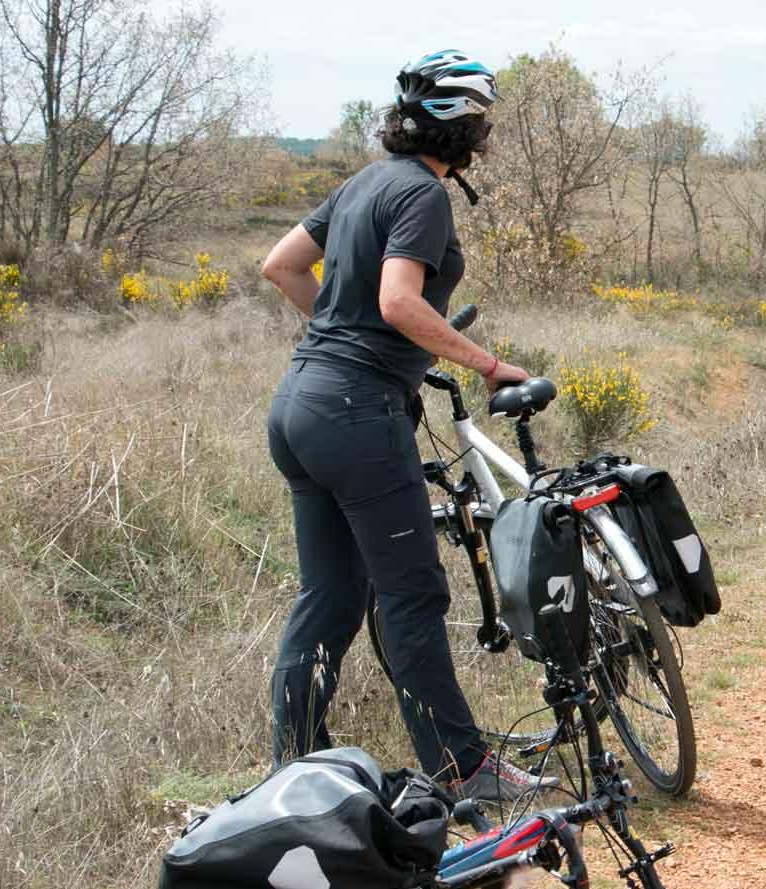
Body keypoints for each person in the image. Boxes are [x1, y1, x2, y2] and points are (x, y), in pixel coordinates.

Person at [257, 49, 553, 802]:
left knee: (329, 597)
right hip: (356, 413)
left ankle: (292, 771)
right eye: (483, 123)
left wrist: (340, 330)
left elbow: (281, 265)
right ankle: (463, 770)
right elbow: (397, 301)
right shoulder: (423, 193)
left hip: (299, 405)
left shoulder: (363, 183)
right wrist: (487, 364)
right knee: (413, 595)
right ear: (466, 131)